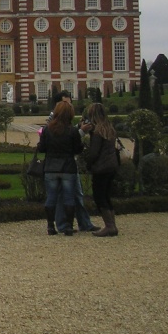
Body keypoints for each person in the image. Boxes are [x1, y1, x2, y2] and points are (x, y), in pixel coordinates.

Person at [51, 93, 100, 233]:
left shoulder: (67, 121)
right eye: (66, 103)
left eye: (70, 103)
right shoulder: (52, 120)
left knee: (77, 194)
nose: (69, 106)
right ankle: (64, 224)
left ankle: (83, 223)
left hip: (67, 163)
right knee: (64, 195)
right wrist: (81, 132)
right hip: (61, 164)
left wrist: (78, 129)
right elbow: (63, 139)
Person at [37, 100, 84, 235]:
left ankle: (51, 226)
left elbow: (42, 148)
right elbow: (77, 149)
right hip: (68, 167)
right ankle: (68, 226)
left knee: (51, 197)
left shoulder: (47, 130)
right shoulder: (73, 131)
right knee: (69, 198)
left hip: (51, 167)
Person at [79, 103, 120, 237]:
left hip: (101, 167)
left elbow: (94, 152)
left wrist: (88, 164)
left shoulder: (98, 131)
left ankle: (109, 226)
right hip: (111, 165)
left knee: (99, 196)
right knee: (106, 195)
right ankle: (112, 225)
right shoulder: (109, 128)